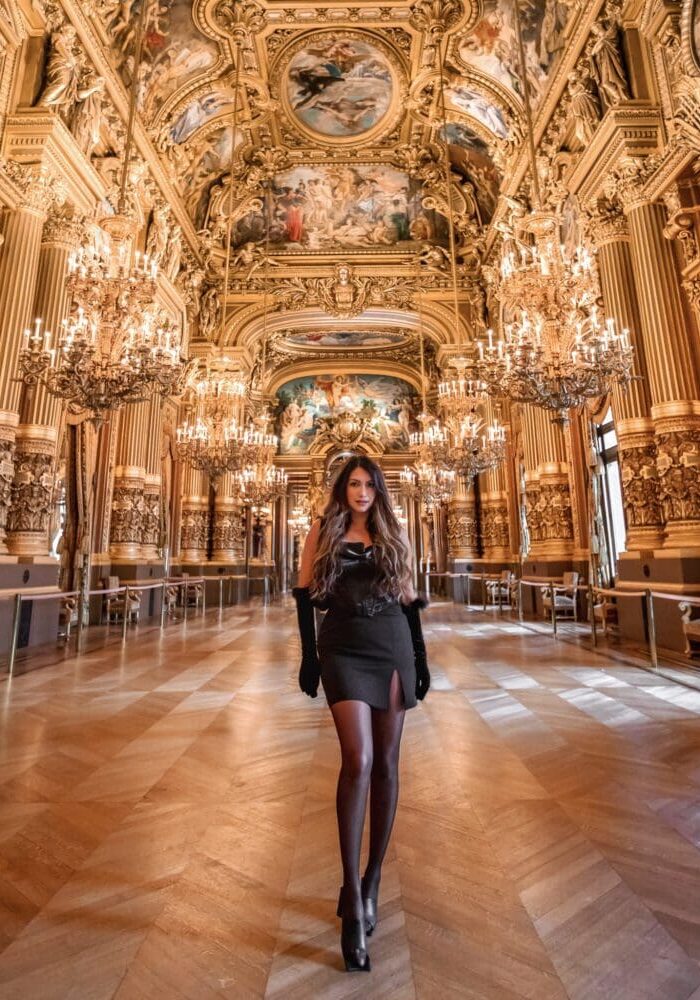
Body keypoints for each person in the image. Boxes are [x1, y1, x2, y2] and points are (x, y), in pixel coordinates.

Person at [292, 456, 430, 972]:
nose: (362, 492)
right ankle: (352, 897)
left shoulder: (395, 532)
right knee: (359, 759)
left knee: (388, 764)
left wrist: (420, 660)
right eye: (354, 484)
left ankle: (373, 879)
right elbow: (304, 595)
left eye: (370, 484)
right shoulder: (323, 531)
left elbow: (409, 598)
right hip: (343, 649)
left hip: (390, 644)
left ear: (380, 490)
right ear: (342, 488)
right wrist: (309, 656)